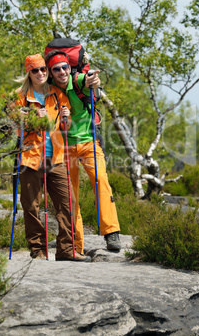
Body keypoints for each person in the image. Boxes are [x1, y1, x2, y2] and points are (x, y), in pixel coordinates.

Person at [11, 54, 91, 262]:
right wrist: (29, 118)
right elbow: (12, 127)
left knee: (68, 204)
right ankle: (38, 251)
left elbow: (65, 127)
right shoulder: (20, 97)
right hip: (29, 159)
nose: (41, 74)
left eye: (43, 70)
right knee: (31, 207)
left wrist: (66, 119)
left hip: (55, 158)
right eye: (35, 70)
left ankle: (67, 250)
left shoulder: (57, 95)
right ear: (28, 73)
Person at [45, 51, 121, 254]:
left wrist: (93, 82)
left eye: (65, 67)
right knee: (70, 196)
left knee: (101, 181)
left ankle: (111, 232)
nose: (62, 72)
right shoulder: (49, 90)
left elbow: (90, 83)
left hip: (89, 143)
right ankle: (75, 244)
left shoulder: (78, 80)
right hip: (65, 147)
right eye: (56, 69)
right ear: (51, 73)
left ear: (70, 68)